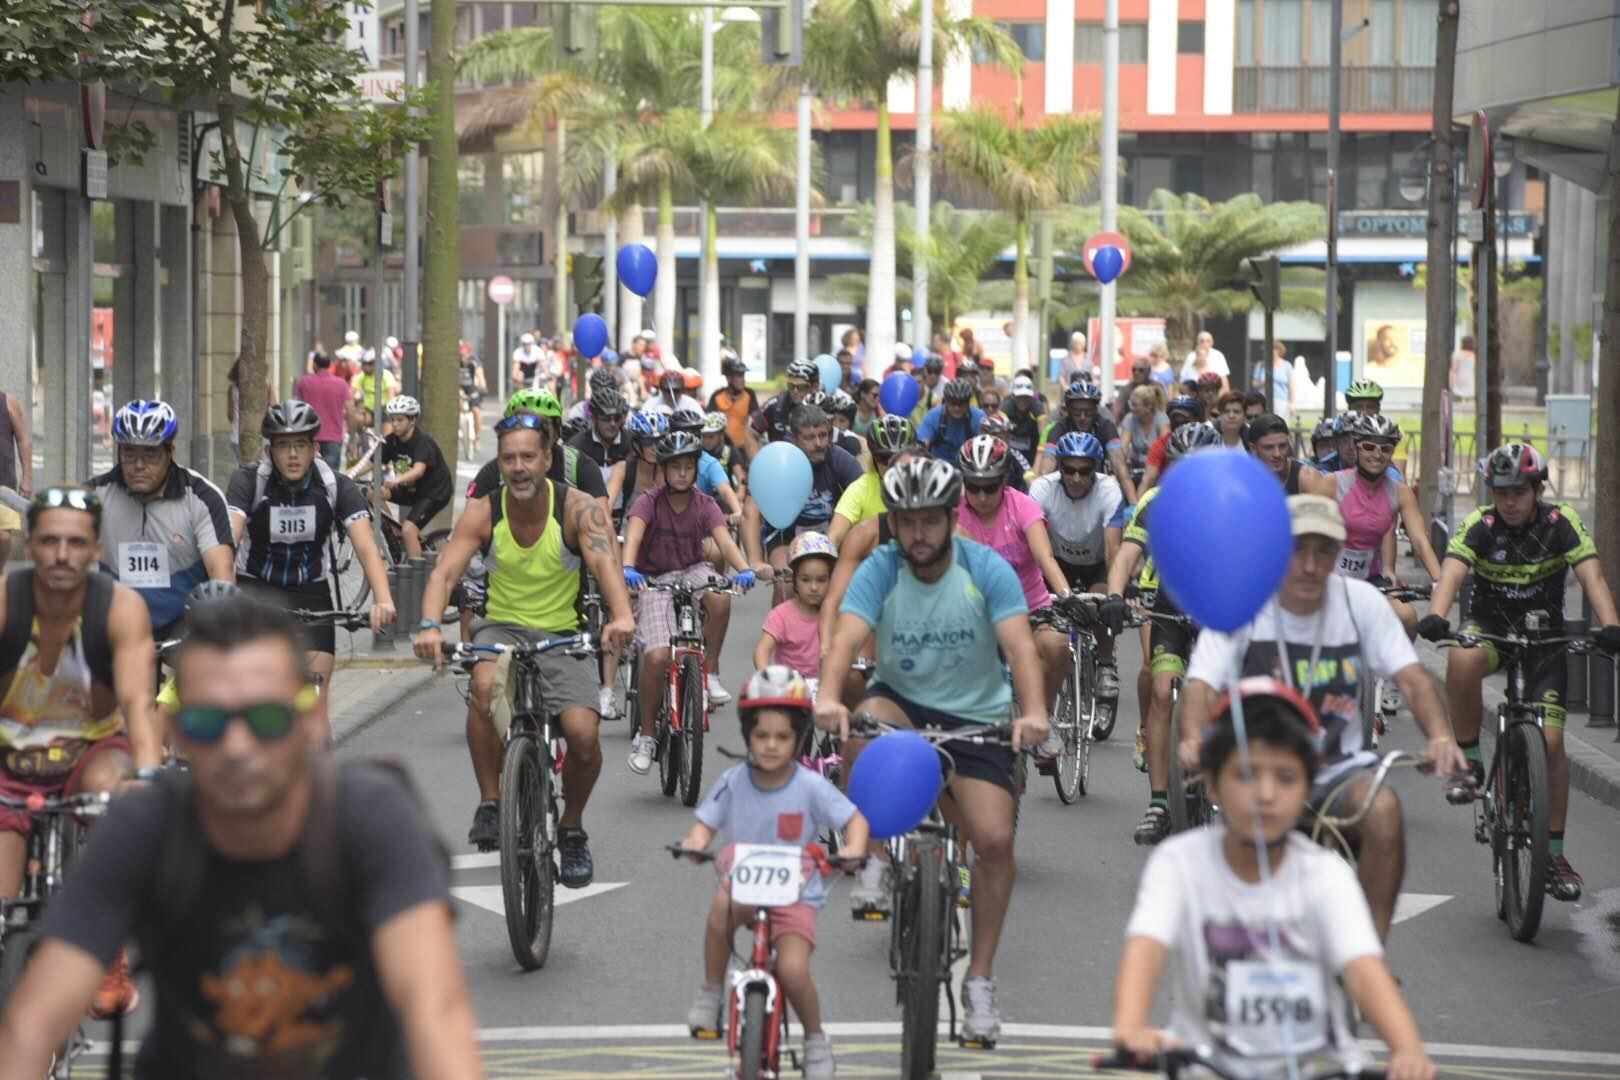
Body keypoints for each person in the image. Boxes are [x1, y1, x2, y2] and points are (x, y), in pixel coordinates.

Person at [0, 596, 484, 1078]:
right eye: (209, 723)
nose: (237, 746)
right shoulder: (146, 827)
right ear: (177, 732)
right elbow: (31, 1025)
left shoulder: (369, 817)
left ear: (313, 717)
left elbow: (436, 1011)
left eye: (266, 720)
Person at [816, 458, 1049, 1044]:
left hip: (979, 714)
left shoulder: (984, 567)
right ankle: (867, 854)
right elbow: (845, 636)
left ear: (950, 519)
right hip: (903, 702)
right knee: (862, 724)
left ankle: (981, 984)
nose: (918, 534)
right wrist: (826, 696)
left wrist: (1034, 712)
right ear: (893, 522)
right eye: (906, 522)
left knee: (994, 843)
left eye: (929, 521)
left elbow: (1021, 647)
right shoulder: (882, 568)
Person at [1112, 678, 1437, 1080]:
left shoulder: (1326, 875)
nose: (1266, 794)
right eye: (1247, 775)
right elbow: (1146, 947)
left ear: (1308, 786)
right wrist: (1130, 1027)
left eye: (1285, 778)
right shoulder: (1178, 864)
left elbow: (1364, 969)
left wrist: (1407, 1049)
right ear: (1211, 782)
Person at [1180, 495, 1466, 940]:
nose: (1311, 565)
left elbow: (1412, 679)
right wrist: (1194, 738)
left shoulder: (1361, 603)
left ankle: (1368, 955)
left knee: (1385, 810)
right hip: (1259, 770)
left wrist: (1441, 737)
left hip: (1338, 772)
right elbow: (1200, 685)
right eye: (1298, 549)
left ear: (1339, 553)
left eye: (1324, 550)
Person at [415, 414, 634, 871]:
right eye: (508, 457)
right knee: (482, 687)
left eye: (528, 457)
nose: (518, 467)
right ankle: (491, 802)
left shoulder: (577, 509)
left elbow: (605, 564)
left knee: (583, 736)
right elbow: (444, 572)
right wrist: (431, 624)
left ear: (548, 458)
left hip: (563, 633)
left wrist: (622, 616)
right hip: (502, 629)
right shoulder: (483, 510)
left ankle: (572, 828)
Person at [1418, 443, 1620, 903]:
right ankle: (1469, 762)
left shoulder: (1560, 524)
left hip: (1545, 639)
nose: (1509, 502)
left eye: (1519, 492)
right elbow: (1451, 574)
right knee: (1462, 658)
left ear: (1537, 490)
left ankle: (1553, 856)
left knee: (1551, 745)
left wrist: (1611, 626)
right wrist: (1436, 614)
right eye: (1500, 492)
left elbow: (1593, 578)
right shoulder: (1480, 526)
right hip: (1490, 631)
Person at [0, 487, 163, 1018]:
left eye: (76, 542)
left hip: (89, 753)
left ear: (96, 549)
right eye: (48, 542)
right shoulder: (6, 601)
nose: (61, 555)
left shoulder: (120, 608)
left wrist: (145, 776)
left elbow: (139, 702)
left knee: (114, 794)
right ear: (30, 544)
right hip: (10, 766)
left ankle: (107, 953)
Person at [678, 667, 868, 1079]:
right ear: (747, 735)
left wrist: (854, 847)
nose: (770, 746)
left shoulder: (810, 786)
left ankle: (815, 1039)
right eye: (761, 736)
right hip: (743, 882)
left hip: (796, 890)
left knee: (795, 971)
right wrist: (695, 842)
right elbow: (704, 823)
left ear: (799, 738)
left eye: (782, 737)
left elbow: (853, 819)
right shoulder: (733, 781)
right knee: (720, 911)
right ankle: (712, 992)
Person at [1100, 422, 1222, 845]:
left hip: (1221, 613)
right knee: (1160, 689)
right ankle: (1158, 804)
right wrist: (1115, 594)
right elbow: (1128, 554)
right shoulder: (1156, 501)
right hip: (1170, 608)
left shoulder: (1233, 499)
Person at [226, 402, 397, 701]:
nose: (292, 454)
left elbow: (367, 548)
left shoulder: (335, 486)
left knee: (313, 701)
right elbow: (227, 543)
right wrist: (223, 594)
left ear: (314, 448)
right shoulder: (249, 482)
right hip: (255, 590)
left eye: (300, 445)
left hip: (311, 595)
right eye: (283, 446)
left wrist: (383, 599)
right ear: (270, 451)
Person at [622, 431, 758, 774]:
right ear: (663, 470)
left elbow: (725, 543)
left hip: (693, 570)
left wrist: (743, 569)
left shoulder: (704, 503)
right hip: (654, 577)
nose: (682, 473)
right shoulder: (648, 502)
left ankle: (708, 671)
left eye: (688, 466)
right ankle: (648, 734)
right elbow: (634, 536)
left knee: (720, 595)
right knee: (655, 657)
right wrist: (627, 567)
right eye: (675, 467)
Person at [955, 436, 1072, 748]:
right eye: (973, 486)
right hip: (978, 610)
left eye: (990, 487)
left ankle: (1042, 717)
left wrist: (1066, 595)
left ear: (1005, 481)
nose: (981, 496)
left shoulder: (1023, 505)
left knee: (1058, 644)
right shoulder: (953, 512)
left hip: (1029, 605)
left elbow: (1044, 557)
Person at [88, 401, 234, 638]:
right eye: (129, 453)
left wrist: (219, 631)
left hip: (185, 626)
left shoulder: (202, 497)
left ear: (170, 453)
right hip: (115, 623)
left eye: (150, 453)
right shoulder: (94, 494)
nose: (138, 465)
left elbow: (221, 571)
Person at [1029, 432, 1124, 698]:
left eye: (1084, 471)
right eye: (1069, 470)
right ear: (1060, 467)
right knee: (1048, 622)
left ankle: (1106, 664)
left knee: (1100, 607)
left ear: (1096, 469)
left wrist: (1116, 596)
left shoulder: (1109, 490)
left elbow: (1113, 549)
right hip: (1057, 562)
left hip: (1096, 562)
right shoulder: (1042, 489)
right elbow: (1036, 547)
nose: (1076, 478)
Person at [1331, 413, 1443, 636]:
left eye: (1386, 449)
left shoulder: (1400, 492)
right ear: (1356, 448)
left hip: (1371, 579)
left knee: (1407, 617)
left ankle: (1396, 667)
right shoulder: (1334, 483)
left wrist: (1440, 582)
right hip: (1331, 578)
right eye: (1369, 447)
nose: (1377, 455)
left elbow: (1420, 540)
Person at [742, 405, 863, 601]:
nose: (819, 443)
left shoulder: (839, 458)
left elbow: (863, 495)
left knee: (843, 588)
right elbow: (750, 510)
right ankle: (778, 630)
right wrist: (756, 561)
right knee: (787, 584)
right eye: (809, 437)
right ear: (794, 438)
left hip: (830, 538)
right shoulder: (776, 460)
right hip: (786, 537)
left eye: (823, 435)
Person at [350, 396, 452, 560]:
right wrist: (346, 476)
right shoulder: (392, 441)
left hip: (433, 493)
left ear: (412, 420)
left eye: (400, 420)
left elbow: (418, 470)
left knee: (409, 530)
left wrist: (396, 480)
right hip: (410, 490)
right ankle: (394, 534)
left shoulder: (422, 441)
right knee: (372, 492)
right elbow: (369, 463)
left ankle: (415, 579)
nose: (395, 424)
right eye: (393, 420)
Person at [1035, 383, 1137, 506]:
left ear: (1096, 410)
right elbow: (1046, 467)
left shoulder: (1106, 426)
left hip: (1095, 490)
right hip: (1065, 491)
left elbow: (1120, 467)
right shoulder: (1058, 428)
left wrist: (1133, 504)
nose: (1083, 417)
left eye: (1088, 412)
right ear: (1069, 411)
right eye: (1077, 412)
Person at [754, 532, 836, 682]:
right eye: (805, 580)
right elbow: (761, 652)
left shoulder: (838, 614)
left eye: (821, 580)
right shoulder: (781, 615)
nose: (813, 587)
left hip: (827, 689)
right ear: (795, 580)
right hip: (790, 692)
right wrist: (767, 677)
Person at [828, 415, 914, 545]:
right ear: (874, 458)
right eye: (884, 458)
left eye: (899, 458)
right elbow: (834, 536)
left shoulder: (926, 486)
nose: (891, 465)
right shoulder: (859, 489)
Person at [1247, 412, 1338, 498]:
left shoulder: (1308, 478)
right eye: (1269, 448)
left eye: (1282, 446)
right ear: (1253, 449)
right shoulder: (1243, 480)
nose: (1277, 454)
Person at [296, 351, 357, 470]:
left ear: (314, 365)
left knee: (309, 478)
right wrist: (352, 438)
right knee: (331, 479)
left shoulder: (304, 382)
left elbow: (298, 409)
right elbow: (351, 412)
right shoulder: (341, 384)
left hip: (309, 437)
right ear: (329, 365)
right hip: (333, 439)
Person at [1137, 395, 1202, 494]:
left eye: (1185, 421)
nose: (1180, 425)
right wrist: (1136, 507)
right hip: (1170, 494)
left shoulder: (1207, 440)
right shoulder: (1162, 444)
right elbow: (1148, 479)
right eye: (1176, 421)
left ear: (1196, 420)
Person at [917, 378, 985, 464]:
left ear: (968, 402)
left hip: (968, 467)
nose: (957, 408)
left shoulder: (979, 417)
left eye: (961, 403)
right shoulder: (934, 415)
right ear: (946, 401)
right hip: (938, 466)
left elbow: (984, 447)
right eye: (953, 403)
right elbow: (922, 443)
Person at [753, 358, 818, 445]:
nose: (795, 391)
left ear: (814, 387)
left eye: (801, 387)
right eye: (791, 386)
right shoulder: (774, 406)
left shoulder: (823, 406)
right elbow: (751, 433)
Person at [706, 356, 762, 453]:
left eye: (743, 375)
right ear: (728, 378)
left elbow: (757, 421)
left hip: (743, 448)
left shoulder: (750, 395)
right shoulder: (717, 396)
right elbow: (708, 424)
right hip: (722, 449)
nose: (743, 379)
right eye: (739, 376)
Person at [0, 388, 30, 566]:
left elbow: (23, 440)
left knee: (3, 537)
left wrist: (27, 477)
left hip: (3, 484)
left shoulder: (8, 402)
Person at [1119, 384, 1169, 489]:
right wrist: (1123, 460)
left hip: (1156, 469)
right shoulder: (1129, 419)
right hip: (1136, 468)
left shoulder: (1161, 419)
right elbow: (1124, 446)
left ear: (1148, 406)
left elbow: (1165, 447)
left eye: (1135, 405)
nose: (1131, 408)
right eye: (1130, 404)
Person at [699, 410, 748, 491]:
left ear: (721, 434)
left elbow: (740, 479)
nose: (706, 441)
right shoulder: (698, 452)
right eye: (704, 436)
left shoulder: (729, 451)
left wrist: (739, 496)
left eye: (711, 437)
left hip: (725, 497)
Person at [1001, 376, 1043, 463]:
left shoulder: (1037, 408)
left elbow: (1043, 436)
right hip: (1009, 455)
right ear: (1013, 396)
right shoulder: (1006, 407)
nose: (1023, 400)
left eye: (1026, 397)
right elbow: (1000, 433)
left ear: (1031, 397)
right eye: (1019, 397)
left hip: (1031, 456)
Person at [1252, 340, 1296, 419]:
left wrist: (1292, 403)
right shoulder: (1260, 365)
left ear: (1277, 351)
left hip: (1281, 401)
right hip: (1263, 401)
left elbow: (1291, 386)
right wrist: (1264, 382)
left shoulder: (1286, 365)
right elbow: (1254, 384)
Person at [1450, 334, 1476, 401]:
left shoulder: (1457, 354)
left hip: (1459, 380)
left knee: (1459, 400)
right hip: (1471, 380)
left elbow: (1453, 369)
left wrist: (1451, 381)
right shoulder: (1475, 356)